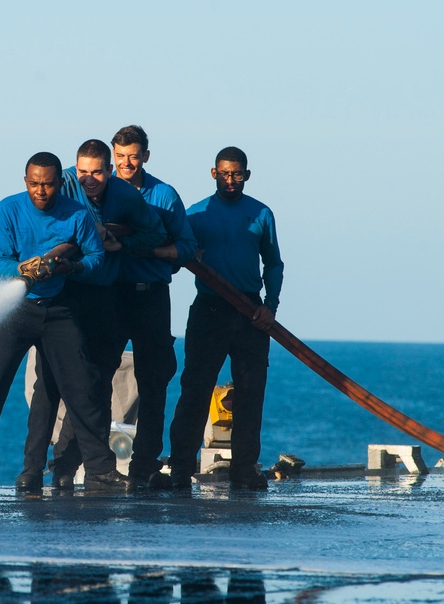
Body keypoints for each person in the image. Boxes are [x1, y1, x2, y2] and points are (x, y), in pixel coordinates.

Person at [0, 151, 124, 496]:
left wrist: (69, 268)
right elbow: (0, 261)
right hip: (12, 310)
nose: (41, 190)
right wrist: (25, 269)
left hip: (57, 309)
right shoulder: (7, 209)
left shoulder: (76, 214)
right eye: (35, 183)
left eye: (48, 184)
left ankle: (101, 472)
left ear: (60, 182)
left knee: (82, 387)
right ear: (25, 181)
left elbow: (96, 257)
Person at [22, 139, 166, 492]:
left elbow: (156, 233)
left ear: (109, 170)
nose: (88, 180)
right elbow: (37, 221)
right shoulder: (62, 183)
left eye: (97, 172)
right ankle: (36, 471)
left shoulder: (126, 197)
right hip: (63, 297)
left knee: (96, 382)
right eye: (82, 172)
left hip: (103, 296)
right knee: (49, 385)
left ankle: (86, 468)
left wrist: (119, 240)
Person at [168, 146, 284, 490]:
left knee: (251, 392)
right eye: (224, 173)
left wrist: (270, 306)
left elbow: (273, 263)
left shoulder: (261, 213)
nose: (230, 180)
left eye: (237, 174)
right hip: (209, 309)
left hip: (250, 312)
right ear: (213, 173)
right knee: (195, 389)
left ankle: (244, 469)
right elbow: (175, 255)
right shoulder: (196, 215)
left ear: (247, 175)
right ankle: (179, 468)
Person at [110, 125, 197, 489]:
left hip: (151, 296)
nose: (126, 163)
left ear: (146, 155)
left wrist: (152, 251)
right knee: (94, 379)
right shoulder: (98, 191)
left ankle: (144, 465)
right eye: (120, 157)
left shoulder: (164, 195)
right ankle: (93, 463)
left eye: (133, 156)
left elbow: (188, 247)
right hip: (109, 296)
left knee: (154, 381)